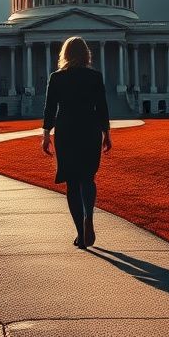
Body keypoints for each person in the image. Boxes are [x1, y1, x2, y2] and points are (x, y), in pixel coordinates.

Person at [41, 35, 112, 249]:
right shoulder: (95, 77)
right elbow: (102, 106)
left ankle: (81, 235)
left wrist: (46, 134)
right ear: (86, 55)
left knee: (72, 183)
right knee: (88, 178)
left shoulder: (56, 78)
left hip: (66, 131)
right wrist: (106, 133)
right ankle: (88, 216)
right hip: (89, 129)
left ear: (65, 55)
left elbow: (50, 108)